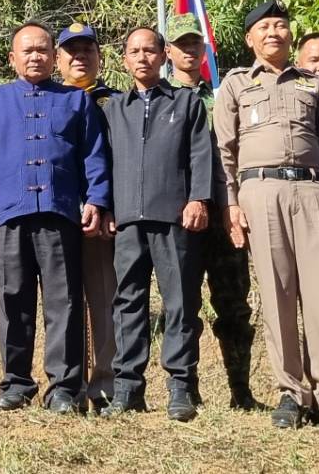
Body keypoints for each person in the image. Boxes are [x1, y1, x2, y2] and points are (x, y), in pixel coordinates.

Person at [214, 0, 319, 430]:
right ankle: (291, 392)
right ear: (249, 39)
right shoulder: (236, 84)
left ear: (291, 35)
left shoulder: (312, 85)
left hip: (312, 191)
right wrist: (231, 204)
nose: (274, 32)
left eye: (280, 25)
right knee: (277, 294)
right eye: (264, 27)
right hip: (260, 192)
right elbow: (224, 151)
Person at [0, 22, 111, 415]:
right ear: (12, 58)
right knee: (13, 301)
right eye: (27, 51)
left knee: (63, 303)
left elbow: (94, 156)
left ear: (54, 57)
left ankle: (65, 388)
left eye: (42, 50)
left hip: (59, 214)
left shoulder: (75, 101)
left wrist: (96, 200)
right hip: (10, 215)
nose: (35, 57)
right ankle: (16, 385)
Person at [101, 27, 212, 422]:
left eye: (150, 50)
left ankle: (181, 386)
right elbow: (103, 164)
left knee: (180, 302)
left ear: (164, 56)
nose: (143, 57)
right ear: (124, 60)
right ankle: (128, 388)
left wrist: (198, 198)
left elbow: (201, 154)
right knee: (128, 303)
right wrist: (105, 207)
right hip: (128, 220)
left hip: (174, 217)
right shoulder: (114, 108)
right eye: (134, 51)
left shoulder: (186, 102)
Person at [164, 13, 256, 409]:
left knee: (234, 304)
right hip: (178, 215)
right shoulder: (160, 97)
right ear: (168, 51)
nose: (189, 50)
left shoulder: (221, 96)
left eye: (194, 43)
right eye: (180, 44)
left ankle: (240, 390)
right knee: (183, 305)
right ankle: (186, 388)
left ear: (204, 49)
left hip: (223, 213)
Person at [56, 21, 118, 411]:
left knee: (103, 300)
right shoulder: (47, 100)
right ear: (58, 59)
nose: (80, 57)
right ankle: (68, 386)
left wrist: (109, 205)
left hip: (100, 220)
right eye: (71, 51)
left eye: (87, 50)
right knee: (62, 304)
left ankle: (105, 386)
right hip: (57, 216)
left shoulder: (116, 103)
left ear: (99, 57)